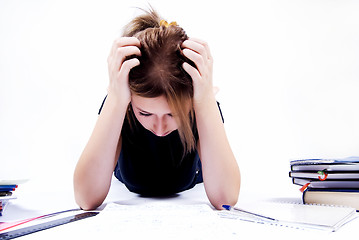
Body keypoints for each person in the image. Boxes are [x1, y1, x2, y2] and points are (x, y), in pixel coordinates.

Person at [73, 8, 240, 210]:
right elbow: (85, 199)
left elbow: (226, 200)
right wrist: (116, 99)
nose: (160, 129)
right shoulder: (121, 103)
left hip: (193, 177)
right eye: (145, 113)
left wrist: (205, 100)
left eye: (173, 114)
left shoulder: (200, 104)